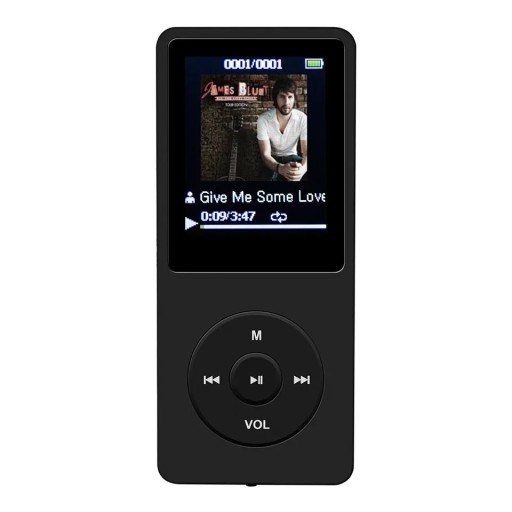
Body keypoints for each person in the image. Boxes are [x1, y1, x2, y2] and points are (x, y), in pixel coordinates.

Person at [256, 77, 308, 181]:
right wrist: (280, 168)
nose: (286, 102)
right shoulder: (263, 120)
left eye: (290, 97)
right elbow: (265, 155)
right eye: (282, 96)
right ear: (275, 98)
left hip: (293, 157)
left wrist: (302, 170)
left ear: (294, 98)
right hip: (273, 159)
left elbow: (306, 151)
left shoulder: (302, 118)